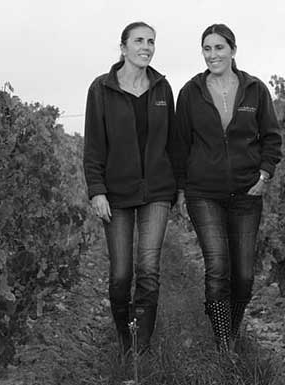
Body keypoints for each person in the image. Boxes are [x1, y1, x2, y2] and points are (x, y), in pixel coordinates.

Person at [172, 24, 283, 353]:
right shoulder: (191, 92)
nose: (213, 55)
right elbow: (180, 145)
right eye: (207, 49)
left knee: (244, 276)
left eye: (219, 48)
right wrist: (180, 189)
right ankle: (224, 343)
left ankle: (231, 327)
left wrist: (264, 176)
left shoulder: (255, 90)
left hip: (247, 194)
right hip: (203, 193)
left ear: (233, 50)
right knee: (218, 268)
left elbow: (272, 138)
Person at [83, 21, 179, 358]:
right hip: (116, 194)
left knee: (149, 270)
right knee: (121, 274)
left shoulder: (162, 89)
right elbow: (94, 145)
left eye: (151, 41)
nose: (146, 47)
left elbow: (173, 143)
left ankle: (141, 348)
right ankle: (125, 336)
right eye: (139, 41)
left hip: (157, 191)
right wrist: (97, 190)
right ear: (123, 47)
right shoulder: (101, 89)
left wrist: (174, 187)